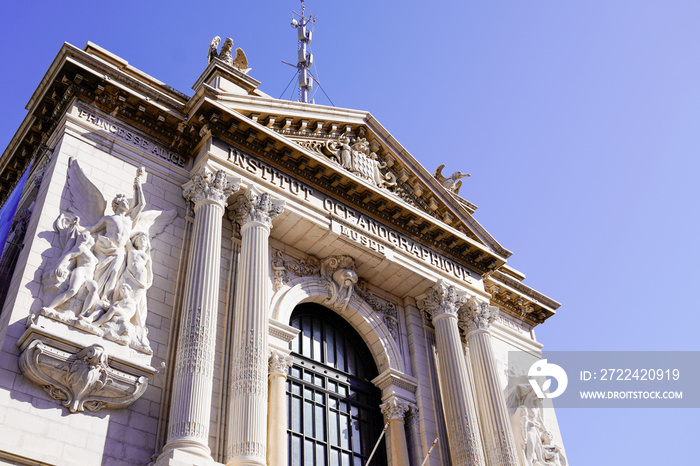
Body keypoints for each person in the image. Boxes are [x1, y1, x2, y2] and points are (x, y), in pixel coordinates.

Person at [87, 169, 146, 304]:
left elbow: (141, 205)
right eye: (125, 201)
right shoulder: (109, 218)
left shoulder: (129, 220)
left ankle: (105, 297)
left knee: (114, 274)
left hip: (119, 251)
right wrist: (80, 228)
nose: (128, 203)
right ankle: (92, 296)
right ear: (117, 204)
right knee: (98, 274)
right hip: (105, 248)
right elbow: (93, 229)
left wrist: (138, 186)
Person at [46, 230, 99, 316]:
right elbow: (69, 255)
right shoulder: (81, 247)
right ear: (86, 238)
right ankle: (50, 307)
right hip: (81, 272)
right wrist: (59, 266)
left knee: (94, 288)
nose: (94, 238)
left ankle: (82, 315)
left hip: (89, 277)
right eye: (91, 236)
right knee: (72, 291)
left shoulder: (92, 254)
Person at [121, 232, 153, 328]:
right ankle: (121, 316)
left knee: (135, 303)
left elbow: (149, 272)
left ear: (147, 244)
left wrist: (149, 283)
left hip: (140, 280)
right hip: (129, 276)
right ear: (136, 242)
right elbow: (126, 238)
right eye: (140, 239)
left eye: (144, 240)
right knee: (125, 297)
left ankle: (139, 326)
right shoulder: (132, 250)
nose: (142, 241)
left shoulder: (147, 257)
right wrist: (137, 231)